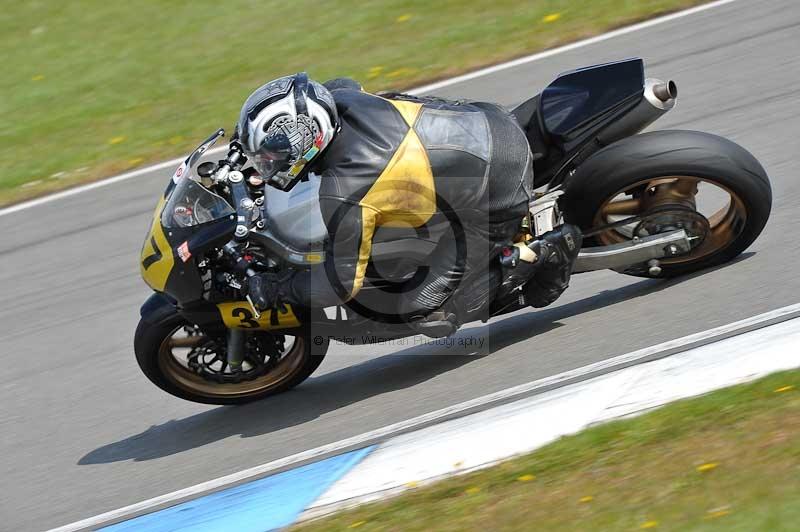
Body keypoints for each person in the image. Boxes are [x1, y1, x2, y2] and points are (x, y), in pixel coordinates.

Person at [239, 73, 581, 337]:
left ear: (308, 139)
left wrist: (279, 288)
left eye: (273, 155)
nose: (267, 165)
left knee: (424, 311)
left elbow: (342, 284)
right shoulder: (338, 98)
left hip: (498, 186)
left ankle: (546, 252)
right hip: (480, 121)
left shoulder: (345, 191)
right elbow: (343, 82)